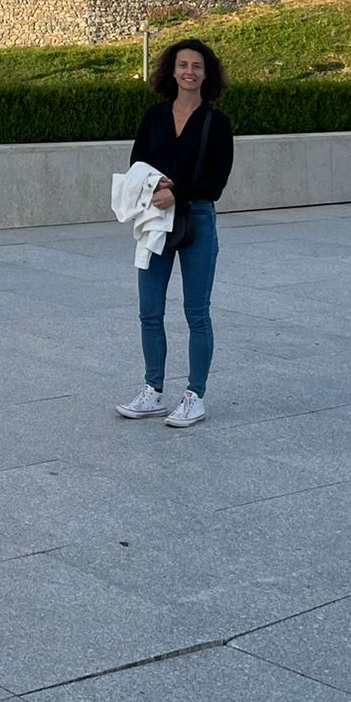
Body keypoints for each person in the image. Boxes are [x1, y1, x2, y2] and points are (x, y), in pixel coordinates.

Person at [116, 39, 233, 428]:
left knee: (196, 312)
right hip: (155, 218)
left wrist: (176, 192)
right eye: (182, 64)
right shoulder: (154, 116)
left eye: (196, 66)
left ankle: (194, 396)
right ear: (172, 70)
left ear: (206, 73)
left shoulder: (216, 123)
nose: (189, 71)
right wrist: (156, 189)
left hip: (196, 217)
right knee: (149, 310)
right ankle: (153, 391)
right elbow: (137, 164)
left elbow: (215, 181)